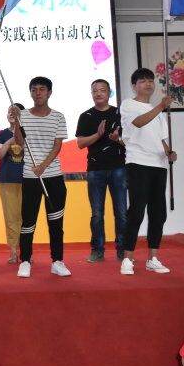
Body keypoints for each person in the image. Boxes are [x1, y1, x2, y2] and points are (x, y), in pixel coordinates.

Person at [9, 76, 70, 278]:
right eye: (34, 89)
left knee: (56, 222)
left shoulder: (58, 117)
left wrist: (43, 166)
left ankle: (57, 261)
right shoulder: (24, 116)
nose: (38, 93)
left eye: (42, 89)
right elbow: (19, 142)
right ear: (30, 93)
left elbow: (57, 146)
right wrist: (17, 122)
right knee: (28, 222)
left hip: (53, 175)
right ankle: (25, 260)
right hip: (30, 176)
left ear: (49, 92)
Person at [119, 68, 177, 276]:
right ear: (134, 85)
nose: (148, 84)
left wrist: (169, 153)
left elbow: (161, 139)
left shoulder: (158, 110)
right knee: (136, 211)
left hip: (158, 165)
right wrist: (161, 106)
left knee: (158, 213)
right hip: (138, 162)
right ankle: (127, 258)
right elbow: (138, 122)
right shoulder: (128, 104)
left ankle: (153, 258)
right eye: (143, 81)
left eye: (150, 80)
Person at [75, 79, 127, 263]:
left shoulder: (120, 114)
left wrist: (117, 139)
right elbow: (80, 143)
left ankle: (123, 250)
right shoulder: (86, 116)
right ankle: (97, 250)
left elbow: (130, 142)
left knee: (121, 212)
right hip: (95, 170)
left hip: (118, 168)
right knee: (97, 213)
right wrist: (98, 135)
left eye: (102, 90)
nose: (98, 93)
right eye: (94, 90)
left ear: (109, 92)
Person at [0, 104, 25, 264]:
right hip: (8, 180)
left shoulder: (27, 132)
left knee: (26, 217)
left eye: (15, 112)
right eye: (9, 111)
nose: (12, 114)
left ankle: (26, 251)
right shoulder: (2, 134)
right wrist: (10, 141)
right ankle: (13, 250)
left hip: (27, 180)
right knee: (11, 217)